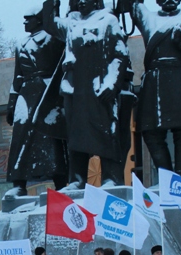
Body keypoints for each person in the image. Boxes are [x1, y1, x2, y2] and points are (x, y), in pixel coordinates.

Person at [43, 0, 131, 188]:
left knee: (106, 132)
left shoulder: (108, 21)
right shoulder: (72, 24)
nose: (81, 2)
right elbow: (50, 23)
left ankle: (111, 178)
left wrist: (112, 83)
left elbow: (120, 55)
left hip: (99, 88)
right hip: (75, 90)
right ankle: (77, 179)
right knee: (76, 137)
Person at [129, 0, 181, 178]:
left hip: (178, 78)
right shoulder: (147, 17)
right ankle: (167, 178)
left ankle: (180, 179)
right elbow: (132, 4)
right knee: (150, 132)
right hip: (153, 80)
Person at [4, 5, 68, 199]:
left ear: (39, 20)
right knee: (20, 141)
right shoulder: (21, 44)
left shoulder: (54, 38)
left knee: (52, 140)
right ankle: (18, 183)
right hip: (26, 96)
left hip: (48, 94)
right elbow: (17, 77)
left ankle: (61, 181)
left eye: (28, 18)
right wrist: (12, 103)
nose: (25, 22)